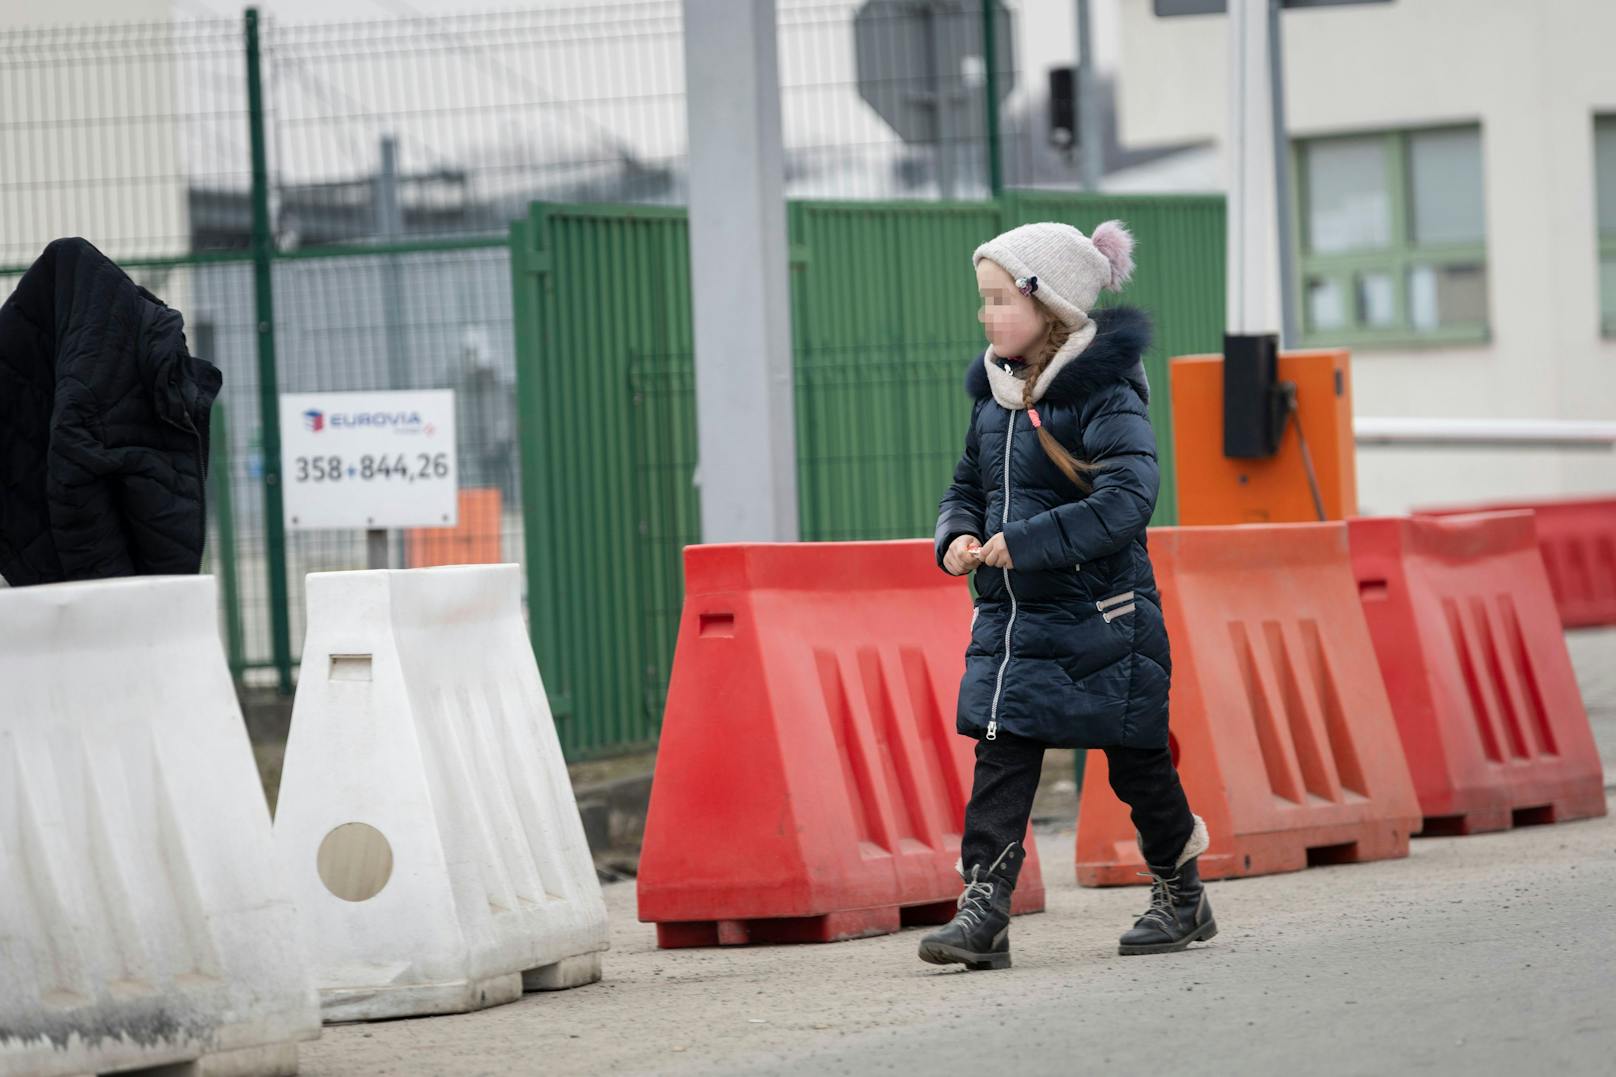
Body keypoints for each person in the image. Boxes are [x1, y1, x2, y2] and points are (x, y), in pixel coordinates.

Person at [918, 220, 1215, 971]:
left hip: (1105, 622)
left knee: (1138, 765)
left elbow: (1128, 499)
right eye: (980, 301)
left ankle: (1182, 891)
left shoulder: (1103, 394)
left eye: (999, 300)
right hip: (1013, 623)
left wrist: (1028, 540)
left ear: (1051, 307)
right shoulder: (993, 395)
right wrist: (955, 535)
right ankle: (984, 909)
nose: (986, 316)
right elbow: (966, 486)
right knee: (1001, 754)